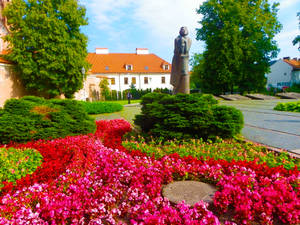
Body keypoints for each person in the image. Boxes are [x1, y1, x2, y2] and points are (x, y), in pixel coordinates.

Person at [170, 26, 192, 94]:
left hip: (185, 58)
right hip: (178, 59)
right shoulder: (177, 39)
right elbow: (176, 50)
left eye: (185, 29)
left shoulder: (189, 39)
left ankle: (184, 92)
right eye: (182, 29)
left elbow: (188, 49)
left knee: (185, 74)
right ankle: (177, 89)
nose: (183, 30)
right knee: (177, 75)